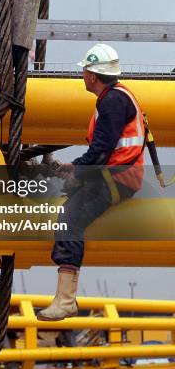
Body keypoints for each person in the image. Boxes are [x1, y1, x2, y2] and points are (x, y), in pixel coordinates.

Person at [38, 44, 146, 322]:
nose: (82, 74)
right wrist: (75, 169)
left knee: (68, 221)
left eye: (84, 70)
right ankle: (64, 298)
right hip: (117, 174)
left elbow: (101, 151)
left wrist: (78, 174)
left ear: (92, 76)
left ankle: (66, 301)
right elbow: (103, 151)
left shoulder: (111, 101)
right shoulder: (116, 97)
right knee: (69, 204)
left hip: (118, 178)